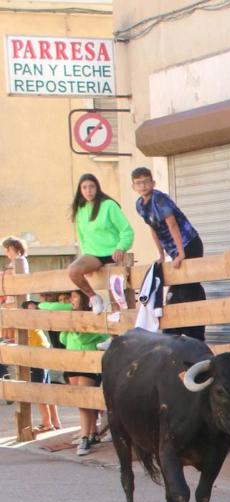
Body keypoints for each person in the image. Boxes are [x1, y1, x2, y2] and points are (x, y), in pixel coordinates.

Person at [131, 167, 206, 341]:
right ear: (133, 186)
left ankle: (195, 335)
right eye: (138, 183)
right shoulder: (140, 205)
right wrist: (161, 255)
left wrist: (181, 253)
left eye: (146, 181)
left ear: (153, 183)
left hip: (189, 243)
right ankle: (176, 333)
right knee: (176, 291)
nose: (143, 186)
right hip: (173, 249)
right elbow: (153, 229)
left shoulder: (160, 199)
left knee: (188, 287)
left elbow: (172, 225)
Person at [67, 174, 134, 315]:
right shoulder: (80, 210)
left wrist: (121, 247)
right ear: (80, 190)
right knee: (73, 271)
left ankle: (125, 331)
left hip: (114, 255)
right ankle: (94, 298)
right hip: (93, 255)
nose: (88, 190)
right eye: (84, 187)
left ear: (97, 188)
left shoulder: (109, 205)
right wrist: (85, 260)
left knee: (118, 302)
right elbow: (82, 238)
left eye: (91, 186)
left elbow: (126, 230)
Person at [61, 290, 108, 456]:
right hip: (72, 362)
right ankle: (93, 431)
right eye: (71, 297)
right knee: (80, 401)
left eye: (74, 297)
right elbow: (63, 339)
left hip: (88, 362)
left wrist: (74, 329)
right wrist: (69, 327)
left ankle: (84, 437)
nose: (71, 300)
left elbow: (84, 339)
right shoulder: (70, 316)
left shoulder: (94, 316)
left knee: (83, 402)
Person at [20, 300, 59, 432]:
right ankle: (53, 421)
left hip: (37, 358)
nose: (34, 312)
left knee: (40, 391)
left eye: (34, 309)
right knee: (45, 389)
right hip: (40, 356)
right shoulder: (31, 324)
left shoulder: (29, 324)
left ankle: (48, 423)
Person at [2, 236, 30, 343]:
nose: (6, 252)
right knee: (6, 314)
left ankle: (11, 339)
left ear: (14, 248)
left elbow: (8, 274)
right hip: (11, 296)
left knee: (9, 314)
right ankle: (7, 339)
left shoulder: (20, 261)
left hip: (17, 297)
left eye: (8, 249)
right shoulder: (13, 262)